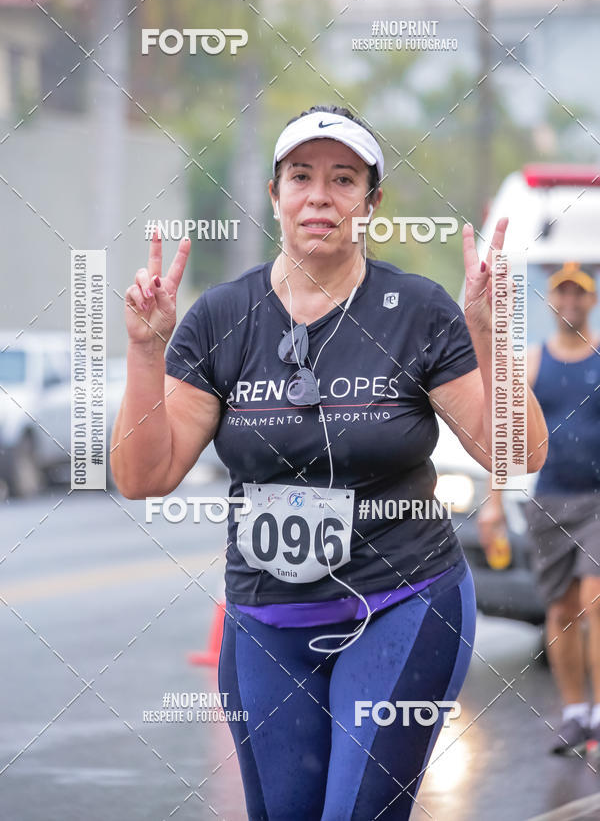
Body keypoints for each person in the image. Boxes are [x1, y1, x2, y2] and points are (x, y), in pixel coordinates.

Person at [111, 104, 547, 819]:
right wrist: (144, 349)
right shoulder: (221, 317)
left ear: (371, 203)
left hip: (401, 603)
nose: (321, 196)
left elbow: (517, 451)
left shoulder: (417, 310)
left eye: (344, 180)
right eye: (301, 177)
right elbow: (142, 477)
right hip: (266, 618)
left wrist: (490, 332)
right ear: (275, 194)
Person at [478, 262, 600, 758]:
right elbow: (504, 436)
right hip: (549, 502)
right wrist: (493, 505)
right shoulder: (532, 362)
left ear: (591, 300)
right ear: (551, 301)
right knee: (562, 610)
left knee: (595, 599)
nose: (570, 301)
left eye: (579, 293)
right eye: (561, 293)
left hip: (597, 501)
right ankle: (575, 713)